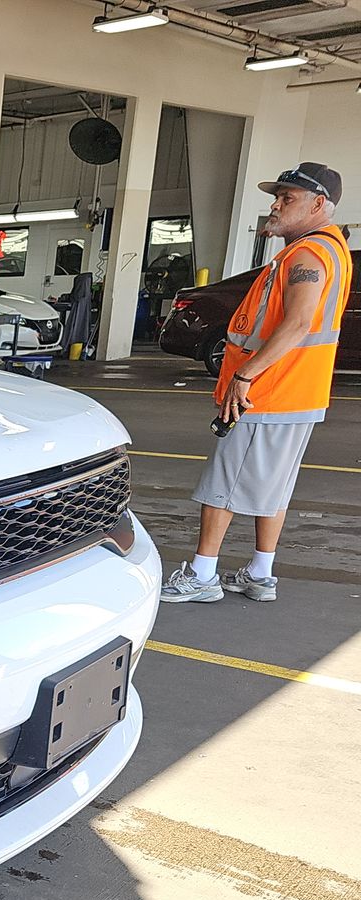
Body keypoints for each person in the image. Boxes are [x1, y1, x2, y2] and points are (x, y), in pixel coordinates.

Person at [161, 162, 352, 605]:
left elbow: (299, 323)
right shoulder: (331, 251)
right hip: (300, 392)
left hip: (269, 393)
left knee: (223, 484)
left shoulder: (306, 256)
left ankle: (203, 575)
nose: (276, 204)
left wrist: (245, 376)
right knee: (274, 485)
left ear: (318, 205)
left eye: (288, 198)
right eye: (278, 195)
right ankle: (260, 572)